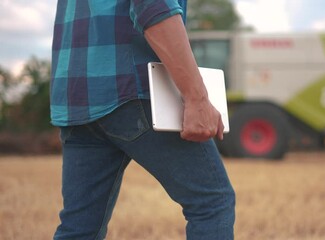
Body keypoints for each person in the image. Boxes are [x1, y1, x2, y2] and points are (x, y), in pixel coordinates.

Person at [50, 0, 236, 239]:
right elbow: (155, 8)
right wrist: (196, 97)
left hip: (76, 96)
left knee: (78, 228)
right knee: (212, 202)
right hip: (131, 87)